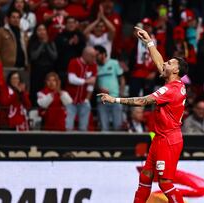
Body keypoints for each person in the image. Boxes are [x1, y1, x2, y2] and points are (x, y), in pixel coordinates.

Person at [98, 26, 188, 202]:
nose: (165, 63)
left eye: (170, 63)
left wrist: (114, 100)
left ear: (176, 71)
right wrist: (149, 42)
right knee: (145, 177)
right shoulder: (173, 83)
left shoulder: (170, 90)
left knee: (165, 183)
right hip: (160, 138)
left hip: (169, 140)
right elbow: (159, 62)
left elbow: (142, 101)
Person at [65, 46, 97, 131]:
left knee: (83, 127)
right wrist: (86, 81)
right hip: (71, 100)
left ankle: (82, 144)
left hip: (84, 101)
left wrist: (87, 99)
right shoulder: (74, 62)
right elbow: (71, 79)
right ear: (85, 55)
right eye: (92, 56)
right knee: (69, 125)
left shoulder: (93, 66)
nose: (94, 59)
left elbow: (92, 84)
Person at [94, 45, 124, 131]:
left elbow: (122, 80)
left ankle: (118, 144)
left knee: (118, 126)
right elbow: (94, 85)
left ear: (103, 54)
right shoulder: (94, 67)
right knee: (104, 128)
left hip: (115, 99)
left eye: (97, 55)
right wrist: (100, 89)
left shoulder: (114, 63)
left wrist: (121, 94)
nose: (95, 57)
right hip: (102, 100)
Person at [28, 23, 57, 104]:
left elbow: (54, 56)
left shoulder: (51, 42)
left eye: (43, 30)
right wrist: (42, 44)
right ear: (36, 32)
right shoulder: (33, 43)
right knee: (36, 92)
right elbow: (34, 56)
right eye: (39, 30)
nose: (42, 32)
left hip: (49, 71)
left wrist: (47, 44)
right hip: (37, 71)